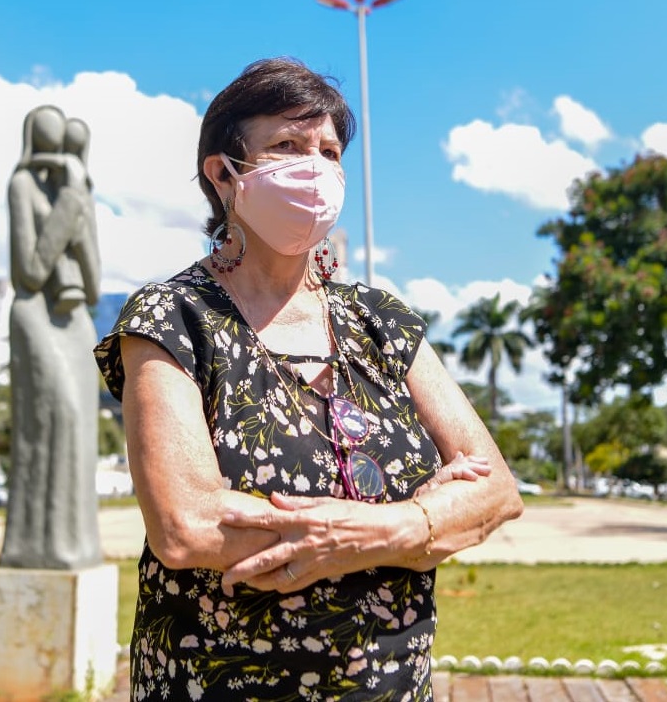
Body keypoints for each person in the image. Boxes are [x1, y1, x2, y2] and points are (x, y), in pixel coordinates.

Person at [94, 58, 524, 700]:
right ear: (224, 174)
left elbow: (496, 491)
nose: (316, 169)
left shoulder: (380, 320)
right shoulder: (173, 317)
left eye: (329, 152)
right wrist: (425, 516)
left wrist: (387, 529)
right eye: (288, 147)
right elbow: (186, 526)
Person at [1, 104, 103, 571]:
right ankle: (35, 546)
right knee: (55, 418)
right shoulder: (23, 186)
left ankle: (76, 547)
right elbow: (31, 269)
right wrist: (68, 206)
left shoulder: (75, 190)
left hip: (74, 318)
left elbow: (95, 283)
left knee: (80, 432)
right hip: (35, 313)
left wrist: (77, 204)